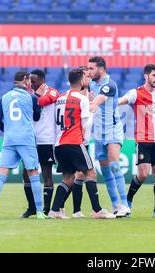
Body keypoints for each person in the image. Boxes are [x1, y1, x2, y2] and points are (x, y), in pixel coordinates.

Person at [48, 68, 116, 220]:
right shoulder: (82, 99)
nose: (88, 79)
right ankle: (97, 210)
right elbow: (85, 124)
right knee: (91, 173)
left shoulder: (60, 97)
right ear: (80, 81)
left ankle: (54, 210)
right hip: (74, 141)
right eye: (86, 77)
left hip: (59, 143)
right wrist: (84, 142)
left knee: (68, 178)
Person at [0, 71, 46, 220]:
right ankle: (39, 212)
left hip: (10, 139)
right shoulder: (30, 97)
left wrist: (9, 130)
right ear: (25, 80)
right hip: (26, 139)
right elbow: (37, 117)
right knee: (33, 173)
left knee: (1, 174)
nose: (31, 83)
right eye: (29, 80)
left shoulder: (4, 97)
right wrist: (38, 97)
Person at [118, 64, 155, 219]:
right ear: (146, 76)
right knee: (144, 174)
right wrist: (113, 102)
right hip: (143, 140)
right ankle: (128, 200)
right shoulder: (136, 93)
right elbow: (124, 100)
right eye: (154, 75)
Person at [88, 56, 131, 217]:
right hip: (98, 133)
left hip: (112, 130)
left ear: (101, 69)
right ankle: (115, 206)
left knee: (114, 165)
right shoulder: (91, 84)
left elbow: (97, 101)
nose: (89, 71)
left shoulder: (109, 85)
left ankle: (125, 205)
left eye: (92, 68)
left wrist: (88, 105)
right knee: (105, 171)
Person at [20, 69, 60, 218]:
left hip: (46, 139)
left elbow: (43, 101)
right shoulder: (29, 93)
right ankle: (31, 207)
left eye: (34, 81)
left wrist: (33, 97)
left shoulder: (53, 92)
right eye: (30, 81)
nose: (31, 83)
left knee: (46, 173)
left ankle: (46, 209)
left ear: (42, 81)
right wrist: (33, 96)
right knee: (26, 173)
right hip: (30, 140)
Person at [69, 66, 94, 218]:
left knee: (78, 175)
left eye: (89, 76)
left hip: (83, 138)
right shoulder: (79, 95)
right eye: (85, 75)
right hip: (77, 139)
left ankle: (74, 210)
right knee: (77, 175)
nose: (88, 78)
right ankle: (63, 209)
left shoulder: (87, 93)